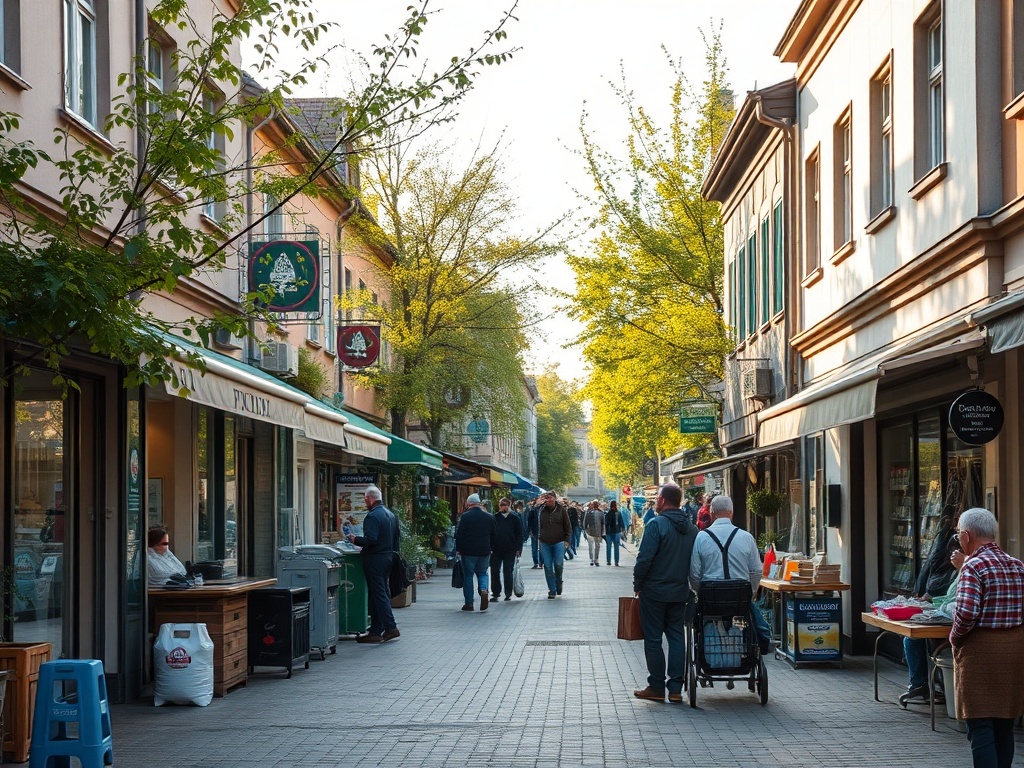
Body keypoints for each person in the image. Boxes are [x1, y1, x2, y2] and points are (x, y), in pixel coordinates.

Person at [949, 507, 1024, 768]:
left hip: (980, 654)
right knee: (1004, 724)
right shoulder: (1017, 565)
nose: (958, 539)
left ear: (967, 536)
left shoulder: (973, 566)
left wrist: (955, 637)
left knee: (980, 725)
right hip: (1014, 652)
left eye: (959, 534)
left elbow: (967, 613)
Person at [632, 483, 699, 703]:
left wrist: (637, 584)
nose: (656, 502)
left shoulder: (656, 525)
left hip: (654, 591)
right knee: (677, 636)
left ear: (662, 500)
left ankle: (657, 687)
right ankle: (676, 689)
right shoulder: (692, 529)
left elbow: (644, 559)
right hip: (679, 591)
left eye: (657, 498)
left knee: (653, 639)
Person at [689, 494, 771, 655]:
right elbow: (756, 570)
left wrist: (699, 591)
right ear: (731, 513)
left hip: (710, 600)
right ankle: (750, 648)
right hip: (740, 598)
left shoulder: (701, 537)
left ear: (711, 513)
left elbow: (694, 573)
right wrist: (751, 591)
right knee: (750, 615)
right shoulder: (746, 538)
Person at [900, 508, 961, 705]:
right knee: (912, 638)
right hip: (949, 618)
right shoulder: (955, 569)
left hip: (956, 628)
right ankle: (921, 683)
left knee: (916, 640)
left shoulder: (967, 570)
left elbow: (959, 605)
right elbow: (950, 599)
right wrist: (929, 601)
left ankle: (926, 683)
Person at [348, 485, 400, 643]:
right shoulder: (390, 515)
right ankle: (376, 630)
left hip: (375, 559)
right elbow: (396, 538)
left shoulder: (373, 516)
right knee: (379, 593)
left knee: (378, 594)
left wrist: (355, 539)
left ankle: (390, 627)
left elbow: (371, 539)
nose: (366, 503)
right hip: (387, 557)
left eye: (365, 500)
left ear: (369, 498)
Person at [455, 493, 496, 611]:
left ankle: (469, 603)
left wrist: (458, 549)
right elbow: (494, 534)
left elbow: (460, 534)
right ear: (479, 503)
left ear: (469, 504)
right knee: (483, 573)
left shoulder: (465, 517)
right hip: (485, 550)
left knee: (468, 576)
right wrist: (491, 547)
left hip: (468, 551)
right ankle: (484, 589)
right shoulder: (489, 517)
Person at [536, 491, 572, 598]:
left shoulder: (561, 510)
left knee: (558, 564)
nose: (548, 500)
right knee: (547, 566)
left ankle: (558, 581)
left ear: (555, 499)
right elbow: (537, 524)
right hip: (545, 542)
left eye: (550, 497)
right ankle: (552, 590)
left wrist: (567, 540)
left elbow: (568, 526)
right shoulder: (541, 510)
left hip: (559, 541)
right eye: (546, 498)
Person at [490, 497, 523, 602]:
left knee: (507, 571)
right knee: (494, 570)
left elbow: (519, 534)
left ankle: (508, 593)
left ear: (509, 506)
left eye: (505, 505)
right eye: (501, 505)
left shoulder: (515, 518)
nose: (503, 507)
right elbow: (490, 533)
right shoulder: (494, 518)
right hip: (496, 549)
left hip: (510, 549)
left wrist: (519, 548)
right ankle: (495, 592)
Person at [583, 501, 605, 566]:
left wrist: (585, 530)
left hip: (589, 531)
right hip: (598, 531)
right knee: (597, 546)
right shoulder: (601, 513)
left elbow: (585, 522)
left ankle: (591, 559)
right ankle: (596, 559)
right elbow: (603, 523)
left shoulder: (589, 513)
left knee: (590, 545)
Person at [605, 500, 624, 566]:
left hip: (609, 532)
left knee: (608, 547)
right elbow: (621, 523)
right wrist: (622, 530)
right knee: (616, 547)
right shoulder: (618, 513)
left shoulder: (608, 513)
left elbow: (606, 523)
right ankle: (616, 561)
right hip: (617, 531)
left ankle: (608, 561)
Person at [527, 499, 542, 569]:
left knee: (542, 548)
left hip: (543, 532)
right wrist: (530, 531)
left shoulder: (544, 509)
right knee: (534, 548)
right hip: (534, 531)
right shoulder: (532, 510)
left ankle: (541, 563)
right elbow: (529, 521)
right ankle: (536, 562)